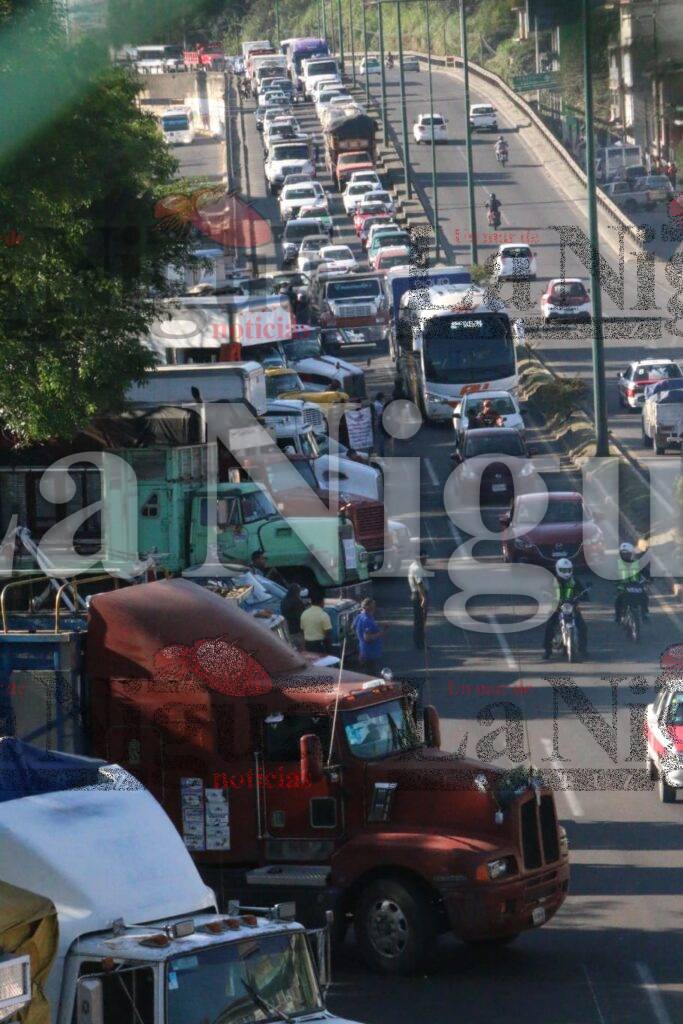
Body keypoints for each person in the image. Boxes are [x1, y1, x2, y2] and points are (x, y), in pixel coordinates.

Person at [543, 558, 588, 660]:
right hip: (556, 608)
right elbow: (545, 590)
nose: (566, 573)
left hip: (572, 607)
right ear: (558, 569)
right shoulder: (552, 580)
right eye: (563, 570)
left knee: (583, 627)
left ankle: (583, 650)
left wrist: (585, 595)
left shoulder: (574, 580)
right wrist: (546, 595)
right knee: (549, 627)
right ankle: (547, 650)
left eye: (568, 570)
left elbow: (582, 590)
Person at [615, 542, 649, 624]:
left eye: (627, 553)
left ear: (631, 554)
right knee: (618, 600)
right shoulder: (616, 564)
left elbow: (646, 572)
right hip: (623, 588)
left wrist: (649, 578)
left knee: (645, 597)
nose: (625, 555)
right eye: (623, 554)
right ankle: (618, 617)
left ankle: (644, 614)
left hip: (636, 587)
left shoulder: (637, 563)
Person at [355, 597, 385, 676]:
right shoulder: (367, 620)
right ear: (369, 607)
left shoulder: (360, 616)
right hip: (371, 654)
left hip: (364, 651)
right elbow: (367, 638)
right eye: (373, 606)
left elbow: (353, 627)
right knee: (372, 676)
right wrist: (380, 633)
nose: (374, 607)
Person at [408, 550, 430, 651]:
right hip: (419, 596)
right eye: (424, 558)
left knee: (420, 620)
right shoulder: (417, 568)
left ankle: (420, 642)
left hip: (417, 595)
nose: (426, 560)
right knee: (420, 620)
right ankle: (420, 644)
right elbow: (419, 583)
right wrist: (423, 598)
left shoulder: (414, 566)